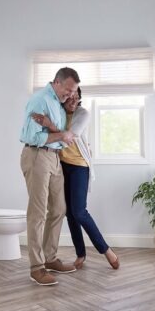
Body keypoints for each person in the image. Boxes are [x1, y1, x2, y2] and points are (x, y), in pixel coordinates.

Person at [32, 87, 120, 270]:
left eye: (76, 97)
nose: (73, 100)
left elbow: (69, 137)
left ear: (80, 98)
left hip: (80, 166)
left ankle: (106, 250)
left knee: (79, 211)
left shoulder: (83, 113)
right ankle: (80, 253)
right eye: (70, 97)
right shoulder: (59, 112)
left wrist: (50, 125)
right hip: (62, 166)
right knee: (68, 212)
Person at [20, 67, 79, 286]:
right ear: (57, 82)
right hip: (37, 155)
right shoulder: (41, 100)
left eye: (73, 92)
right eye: (67, 90)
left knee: (59, 209)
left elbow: (62, 137)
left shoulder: (59, 104)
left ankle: (50, 257)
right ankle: (36, 267)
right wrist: (61, 135)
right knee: (38, 212)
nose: (70, 94)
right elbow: (33, 136)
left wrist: (60, 132)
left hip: (54, 157)